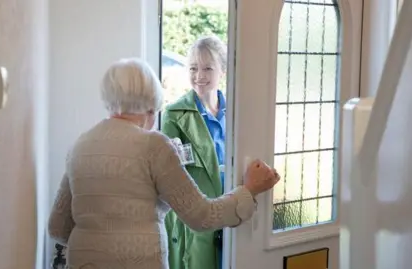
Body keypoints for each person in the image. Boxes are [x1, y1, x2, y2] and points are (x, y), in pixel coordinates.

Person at [47, 57, 280, 269]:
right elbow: (201, 215)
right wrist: (249, 191)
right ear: (151, 106)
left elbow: (58, 227)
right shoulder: (153, 145)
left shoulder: (80, 145)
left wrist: (96, 239)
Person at [161, 36, 230, 269]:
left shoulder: (237, 111)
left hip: (232, 213)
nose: (199, 75)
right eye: (193, 68)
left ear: (223, 70)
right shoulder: (174, 115)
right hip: (196, 222)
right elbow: (170, 175)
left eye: (208, 68)